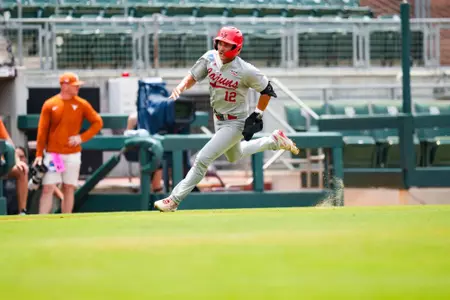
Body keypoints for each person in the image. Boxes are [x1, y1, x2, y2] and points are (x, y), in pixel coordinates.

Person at [154, 26, 299, 212]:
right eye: (220, 42)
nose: (222, 47)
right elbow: (193, 76)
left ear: (237, 49)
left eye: (227, 44)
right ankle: (273, 140)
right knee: (235, 156)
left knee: (202, 159)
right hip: (219, 119)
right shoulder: (210, 58)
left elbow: (267, 90)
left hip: (235, 122)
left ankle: (173, 200)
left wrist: (258, 113)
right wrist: (181, 87)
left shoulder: (246, 70)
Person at [34, 72, 103, 214]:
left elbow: (97, 122)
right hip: (55, 154)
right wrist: (39, 154)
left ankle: (66, 220)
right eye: (74, 85)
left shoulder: (81, 104)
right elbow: (42, 130)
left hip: (73, 154)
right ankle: (41, 221)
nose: (77, 88)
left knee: (69, 187)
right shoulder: (50, 104)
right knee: (48, 187)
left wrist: (81, 138)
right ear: (64, 86)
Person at [126, 112, 163, 193]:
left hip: (155, 150)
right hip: (137, 151)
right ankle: (154, 188)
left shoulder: (157, 114)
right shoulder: (134, 117)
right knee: (149, 157)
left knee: (157, 157)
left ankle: (155, 188)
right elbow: (127, 139)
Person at [0, 119, 29, 215]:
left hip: (1, 165)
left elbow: (9, 143)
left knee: (22, 170)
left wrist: (17, 161)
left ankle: (22, 212)